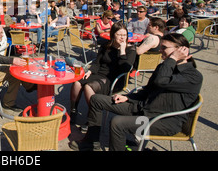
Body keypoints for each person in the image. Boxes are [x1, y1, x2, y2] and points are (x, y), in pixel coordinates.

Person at [70, 33, 203, 151]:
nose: (160, 50)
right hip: (141, 107)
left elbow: (161, 81)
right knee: (96, 99)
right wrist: (128, 97)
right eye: (161, 47)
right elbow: (148, 89)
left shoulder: (193, 76)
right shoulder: (165, 66)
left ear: (181, 50)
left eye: (164, 48)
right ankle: (92, 143)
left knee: (117, 123)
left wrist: (172, 59)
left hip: (162, 120)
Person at [70, 22, 136, 130]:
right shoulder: (106, 46)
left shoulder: (130, 50)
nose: (122, 37)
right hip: (99, 73)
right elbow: (97, 62)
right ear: (113, 35)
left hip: (115, 79)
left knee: (88, 86)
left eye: (124, 35)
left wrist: (122, 51)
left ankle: (93, 118)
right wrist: (90, 71)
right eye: (119, 35)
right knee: (77, 82)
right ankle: (73, 111)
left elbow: (125, 69)